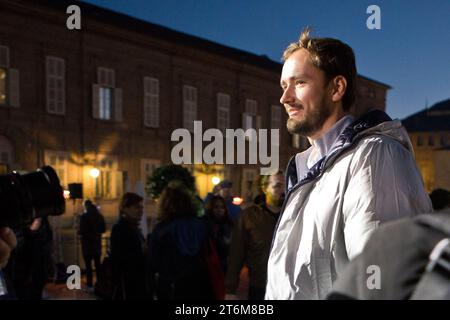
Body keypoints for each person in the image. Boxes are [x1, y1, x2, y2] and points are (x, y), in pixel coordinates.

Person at [266, 28, 432, 300]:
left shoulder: (374, 157)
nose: (285, 98)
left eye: (299, 83)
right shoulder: (308, 168)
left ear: (337, 88)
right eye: (284, 86)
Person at [148, 181, 214, 300]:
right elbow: (208, 253)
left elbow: (154, 261)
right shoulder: (201, 225)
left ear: (165, 204)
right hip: (198, 284)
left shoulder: (162, 229)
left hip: (172, 286)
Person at [226, 171, 285, 300]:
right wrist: (230, 289)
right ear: (264, 188)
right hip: (260, 286)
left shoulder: (293, 214)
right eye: (277, 186)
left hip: (288, 285)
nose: (283, 190)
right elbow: (237, 253)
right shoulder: (249, 216)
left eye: (286, 186)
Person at [110, 192, 147, 300]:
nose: (141, 211)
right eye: (137, 207)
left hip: (137, 282)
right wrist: (142, 251)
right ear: (125, 208)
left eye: (141, 207)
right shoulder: (120, 229)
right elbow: (119, 258)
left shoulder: (134, 228)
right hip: (128, 284)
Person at [78, 199, 106, 290]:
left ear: (86, 206)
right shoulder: (99, 216)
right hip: (97, 244)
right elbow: (103, 229)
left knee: (88, 266)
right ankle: (100, 283)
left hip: (87, 245)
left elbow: (81, 231)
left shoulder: (84, 217)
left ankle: (90, 284)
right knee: (98, 265)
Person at [204, 195, 234, 273]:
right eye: (216, 207)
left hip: (224, 265)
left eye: (222, 207)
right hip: (209, 266)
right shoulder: (206, 224)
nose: (219, 210)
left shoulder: (229, 224)